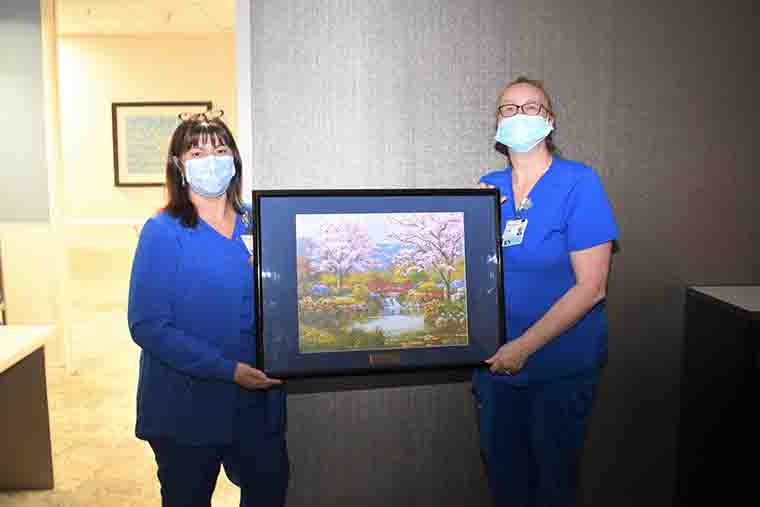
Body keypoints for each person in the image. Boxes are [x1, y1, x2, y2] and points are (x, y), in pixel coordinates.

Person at [128, 111, 289, 507]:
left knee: (271, 491)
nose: (211, 159)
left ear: (234, 161)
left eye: (220, 150)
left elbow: (281, 302)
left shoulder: (260, 223)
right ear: (179, 167)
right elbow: (147, 326)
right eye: (197, 152)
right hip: (184, 408)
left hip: (255, 406)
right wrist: (229, 371)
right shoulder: (163, 232)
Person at [472, 77, 618, 507]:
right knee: (505, 481)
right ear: (497, 123)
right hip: (494, 364)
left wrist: (525, 347)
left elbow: (592, 287)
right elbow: (467, 277)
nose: (519, 116)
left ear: (549, 121)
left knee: (553, 483)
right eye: (508, 109)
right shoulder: (485, 187)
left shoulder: (579, 182)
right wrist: (470, 223)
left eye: (531, 107)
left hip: (558, 364)